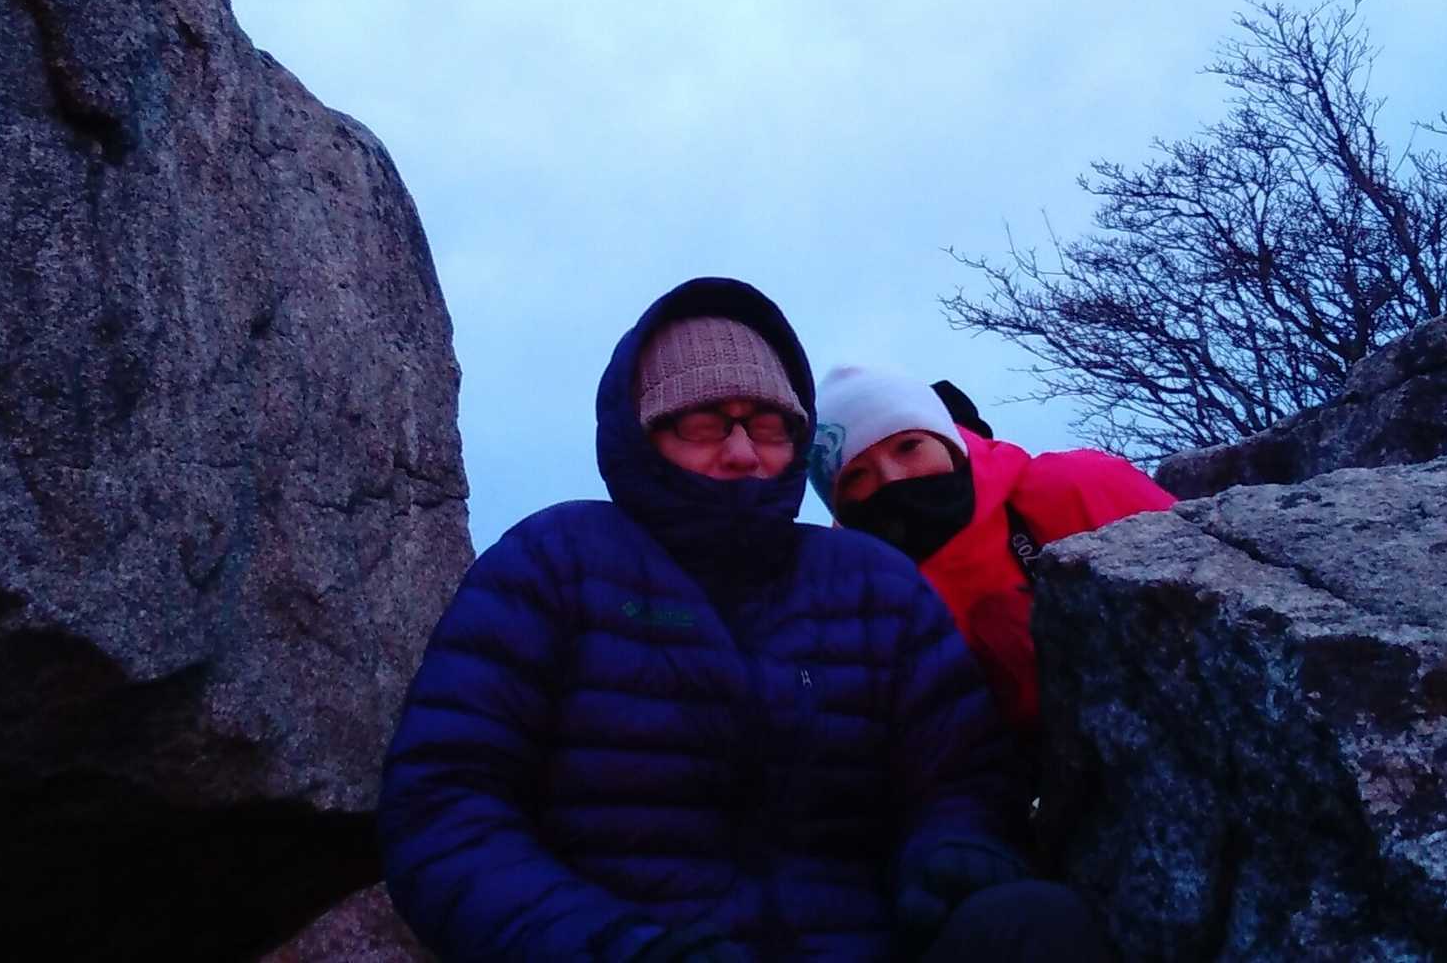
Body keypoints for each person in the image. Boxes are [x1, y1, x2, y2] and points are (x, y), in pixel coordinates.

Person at [378, 278, 1103, 961]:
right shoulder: (553, 561)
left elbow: (965, 779)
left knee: (1034, 923)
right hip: (629, 945)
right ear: (639, 434)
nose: (742, 451)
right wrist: (613, 946)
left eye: (769, 425)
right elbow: (446, 803)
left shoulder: (873, 585)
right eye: (702, 423)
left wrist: (954, 855)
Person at [807, 366, 1176, 735]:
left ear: (949, 442)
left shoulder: (1077, 486)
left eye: (908, 446)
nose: (892, 478)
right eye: (857, 474)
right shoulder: (852, 600)